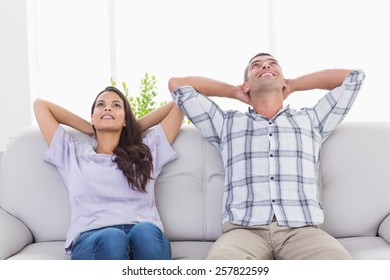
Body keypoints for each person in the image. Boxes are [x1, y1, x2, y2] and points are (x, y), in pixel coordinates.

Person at [168, 53, 365, 260]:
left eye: (272, 64)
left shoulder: (311, 120)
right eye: (256, 65)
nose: (265, 66)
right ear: (247, 85)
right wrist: (233, 91)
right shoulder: (226, 124)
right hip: (243, 232)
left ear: (283, 80)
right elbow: (178, 85)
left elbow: (354, 78)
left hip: (302, 231)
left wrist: (294, 84)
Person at [33, 86, 184, 260]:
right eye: (101, 105)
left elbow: (180, 101)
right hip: (93, 238)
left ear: (125, 119)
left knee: (146, 231)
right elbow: (40, 106)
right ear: (92, 117)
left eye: (116, 106)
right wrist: (91, 127)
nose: (107, 108)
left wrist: (132, 127)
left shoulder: (145, 153)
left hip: (143, 234)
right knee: (113, 237)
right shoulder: (73, 154)